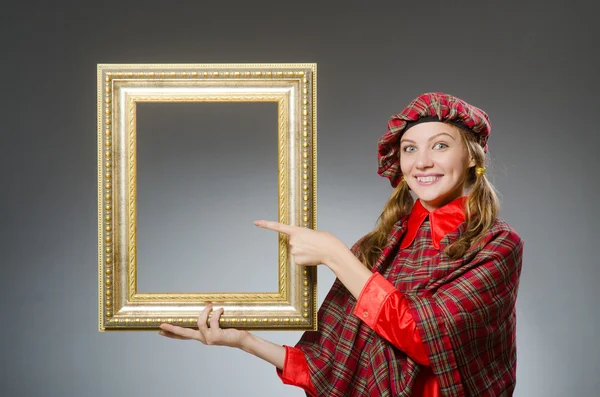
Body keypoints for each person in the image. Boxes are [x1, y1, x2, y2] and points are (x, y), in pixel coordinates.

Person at [159, 92, 524, 397]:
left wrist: (334, 255)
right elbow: (328, 366)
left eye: (440, 146)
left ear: (472, 158)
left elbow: (423, 338)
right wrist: (242, 340)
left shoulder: (498, 245)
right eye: (410, 149)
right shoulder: (378, 246)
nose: (422, 162)